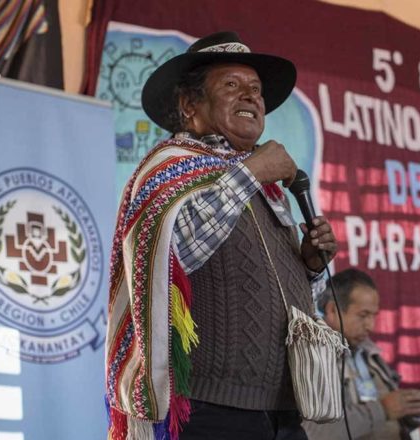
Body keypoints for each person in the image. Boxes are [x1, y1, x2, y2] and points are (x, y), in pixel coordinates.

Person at [104, 31, 337, 440]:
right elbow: (173, 258)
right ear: (190, 105)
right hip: (210, 408)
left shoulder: (264, 186)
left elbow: (283, 299)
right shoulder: (169, 168)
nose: (250, 97)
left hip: (283, 408)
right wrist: (250, 173)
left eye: (256, 90)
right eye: (231, 85)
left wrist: (311, 268)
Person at [303, 268, 420, 440]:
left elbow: (391, 421)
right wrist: (382, 409)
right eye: (363, 315)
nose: (371, 326)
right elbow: (315, 432)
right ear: (332, 310)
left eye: (373, 316)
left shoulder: (371, 355)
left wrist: (413, 410)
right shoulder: (315, 357)